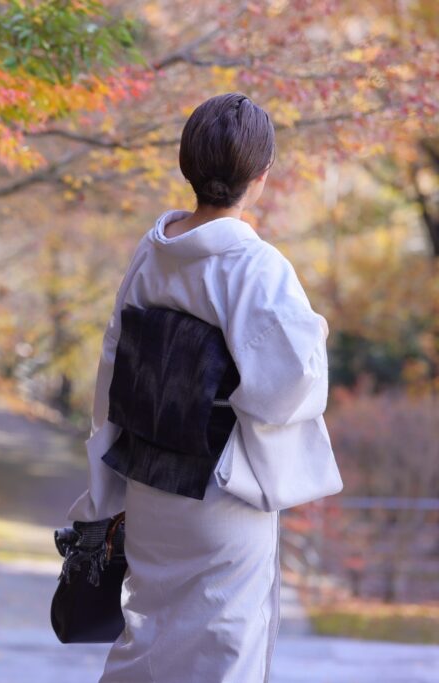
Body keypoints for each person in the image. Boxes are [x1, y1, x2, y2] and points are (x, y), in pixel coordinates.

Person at [65, 92, 344, 682]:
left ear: (186, 164)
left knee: (148, 641)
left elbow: (113, 373)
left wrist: (101, 494)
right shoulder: (257, 266)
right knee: (222, 653)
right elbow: (286, 388)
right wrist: (312, 335)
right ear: (261, 175)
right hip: (221, 493)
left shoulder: (153, 251)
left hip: (150, 487)